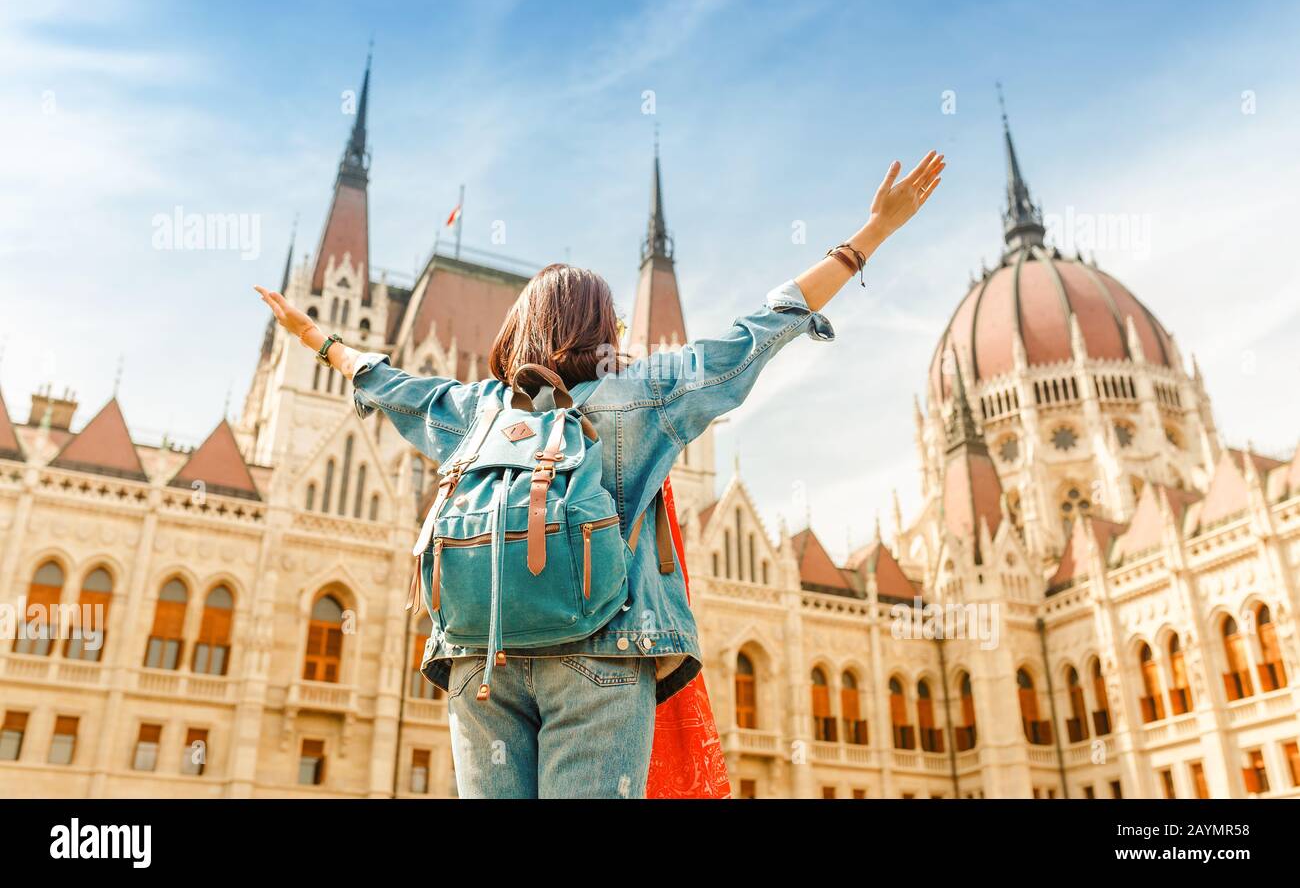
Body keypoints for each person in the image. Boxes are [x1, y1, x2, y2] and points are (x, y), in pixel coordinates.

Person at [256, 150, 944, 798]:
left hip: (476, 657)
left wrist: (319, 339)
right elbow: (763, 328)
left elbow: (385, 382)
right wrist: (869, 236)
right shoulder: (643, 395)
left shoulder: (474, 410)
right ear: (603, 331)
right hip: (599, 653)